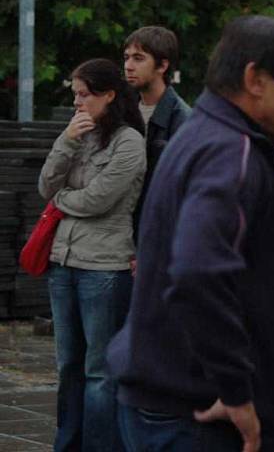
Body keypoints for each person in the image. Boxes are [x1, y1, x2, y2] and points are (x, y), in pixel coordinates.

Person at [107, 15, 274, 452]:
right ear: (255, 79)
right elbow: (197, 270)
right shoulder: (229, 152)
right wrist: (237, 390)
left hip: (171, 404)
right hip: (199, 416)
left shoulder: (210, 136)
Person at [38, 58, 146, 452]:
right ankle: (67, 444)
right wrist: (65, 141)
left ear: (109, 95)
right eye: (75, 95)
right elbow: (44, 185)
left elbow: (101, 199)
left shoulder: (129, 141)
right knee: (69, 366)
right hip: (63, 262)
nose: (78, 103)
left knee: (99, 370)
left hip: (104, 267)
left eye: (85, 95)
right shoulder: (77, 133)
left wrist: (62, 200)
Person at [122, 26, 191, 238]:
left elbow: (181, 195)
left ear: (162, 65)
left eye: (138, 58)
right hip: (114, 241)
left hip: (154, 239)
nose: (128, 66)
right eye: (126, 58)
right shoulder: (121, 112)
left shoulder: (184, 121)